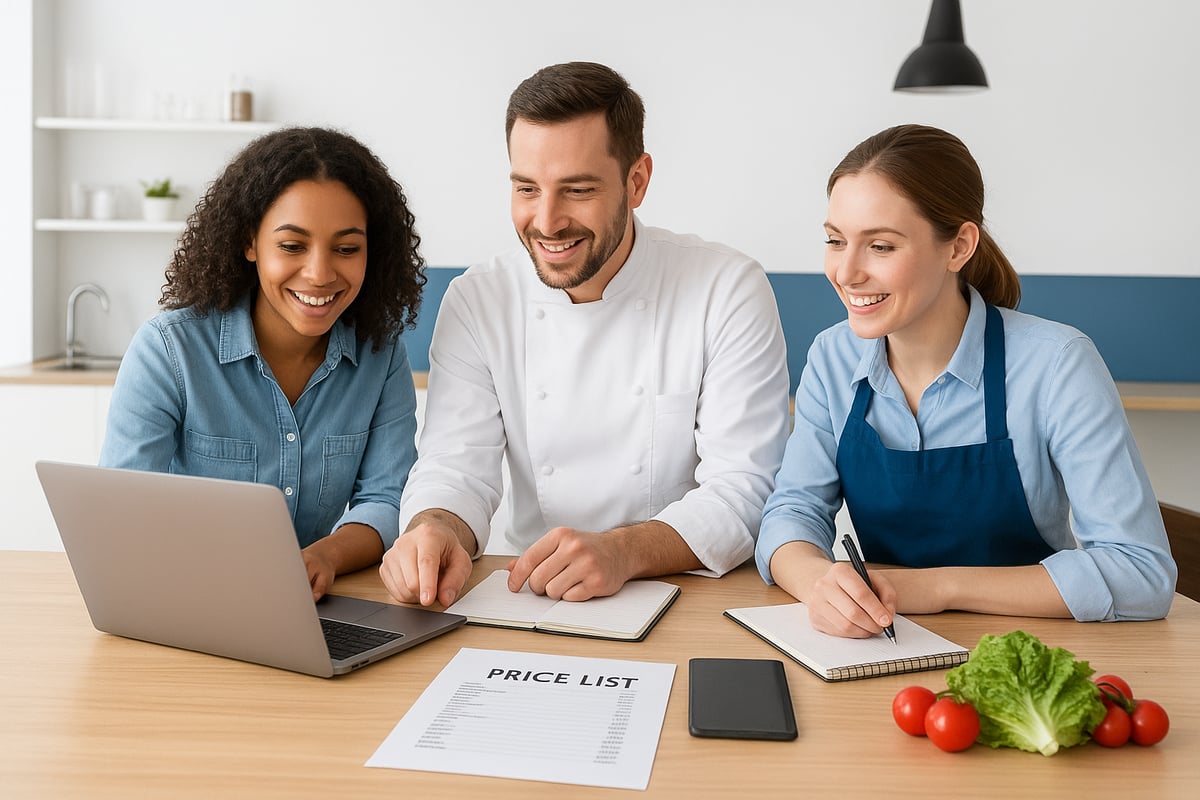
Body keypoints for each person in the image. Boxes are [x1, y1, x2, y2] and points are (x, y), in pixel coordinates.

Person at [380, 61, 790, 608]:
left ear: (636, 182)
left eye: (576, 189)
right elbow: (456, 468)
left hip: (688, 596)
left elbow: (745, 488)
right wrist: (434, 529)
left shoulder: (726, 288)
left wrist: (622, 551)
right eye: (527, 188)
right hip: (531, 592)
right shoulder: (479, 299)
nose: (547, 221)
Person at [756, 124, 1177, 638]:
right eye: (835, 241)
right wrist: (819, 584)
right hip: (884, 641)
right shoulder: (832, 357)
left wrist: (935, 588)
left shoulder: (1057, 364)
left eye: (881, 246)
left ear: (958, 247)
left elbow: (1140, 572)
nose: (846, 272)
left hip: (1031, 648)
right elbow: (793, 511)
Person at [100, 126, 426, 600]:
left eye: (346, 248)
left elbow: (388, 499)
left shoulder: (381, 353)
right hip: (187, 599)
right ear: (250, 241)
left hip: (313, 605)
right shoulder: (168, 350)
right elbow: (122, 513)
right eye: (292, 246)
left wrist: (324, 557)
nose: (319, 273)